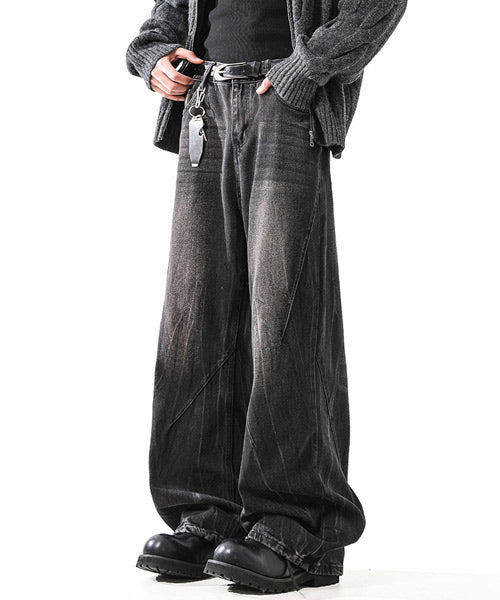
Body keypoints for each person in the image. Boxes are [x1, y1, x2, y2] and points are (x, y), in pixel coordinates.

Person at [126, 0, 407, 593]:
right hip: (204, 102)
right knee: (195, 316)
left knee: (285, 312)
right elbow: (166, 17)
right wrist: (155, 57)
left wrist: (305, 69)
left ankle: (297, 528)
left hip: (283, 101)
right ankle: (208, 514)